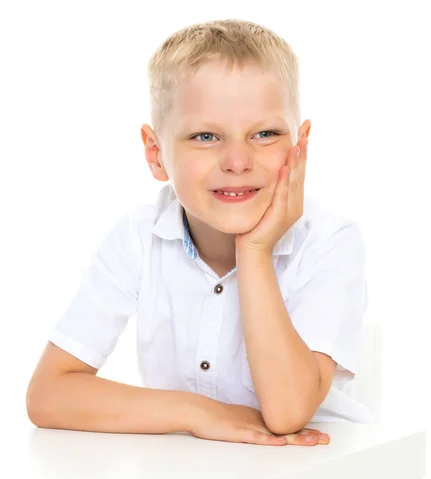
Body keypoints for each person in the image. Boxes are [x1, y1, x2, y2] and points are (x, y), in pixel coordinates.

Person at [26, 19, 373, 447]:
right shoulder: (138, 236)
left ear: (300, 146)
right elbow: (48, 394)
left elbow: (287, 412)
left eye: (264, 133)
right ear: (156, 155)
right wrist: (197, 412)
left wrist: (256, 248)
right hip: (197, 458)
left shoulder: (331, 241)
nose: (238, 161)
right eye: (205, 136)